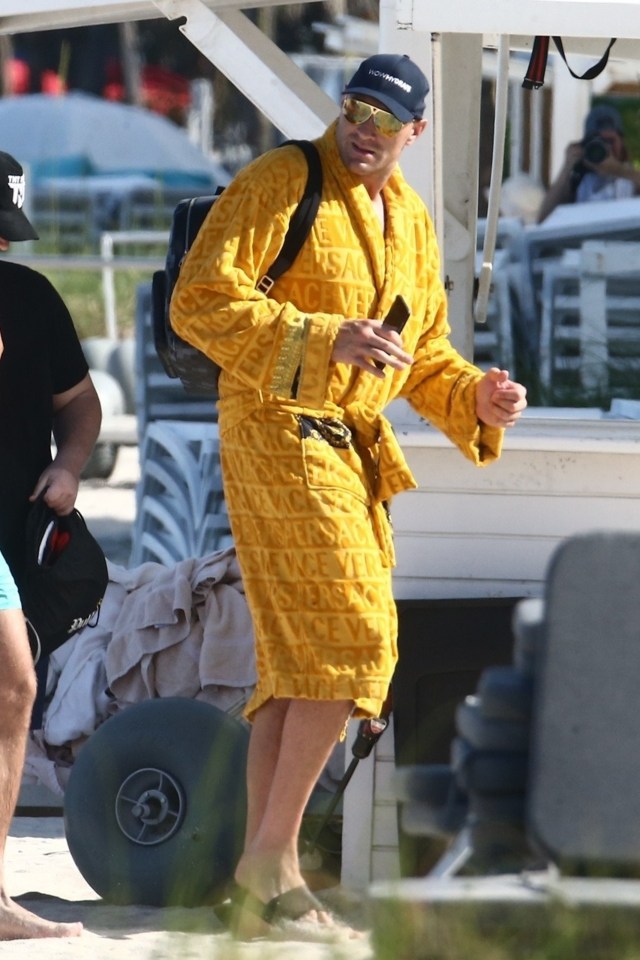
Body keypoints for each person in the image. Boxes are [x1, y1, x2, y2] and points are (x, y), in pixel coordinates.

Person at [171, 53, 527, 941]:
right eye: (355, 109)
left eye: (385, 118)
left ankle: (262, 883)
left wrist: (474, 398)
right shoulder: (282, 178)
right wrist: (325, 338)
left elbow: (424, 349)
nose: (364, 129)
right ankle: (274, 862)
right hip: (275, 430)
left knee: (301, 667)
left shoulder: (409, 217)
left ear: (417, 131)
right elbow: (199, 300)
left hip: (350, 452)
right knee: (357, 638)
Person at [0, 150, 101, 939]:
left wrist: (68, 469)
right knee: (13, 685)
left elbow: (81, 404)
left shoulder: (31, 298)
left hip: (15, 533)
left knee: (12, 691)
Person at [537, 104, 640, 223]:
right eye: (598, 140)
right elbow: (543, 220)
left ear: (622, 142)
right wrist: (567, 167)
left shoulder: (632, 179)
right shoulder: (578, 180)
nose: (606, 147)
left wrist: (619, 170)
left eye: (610, 141)